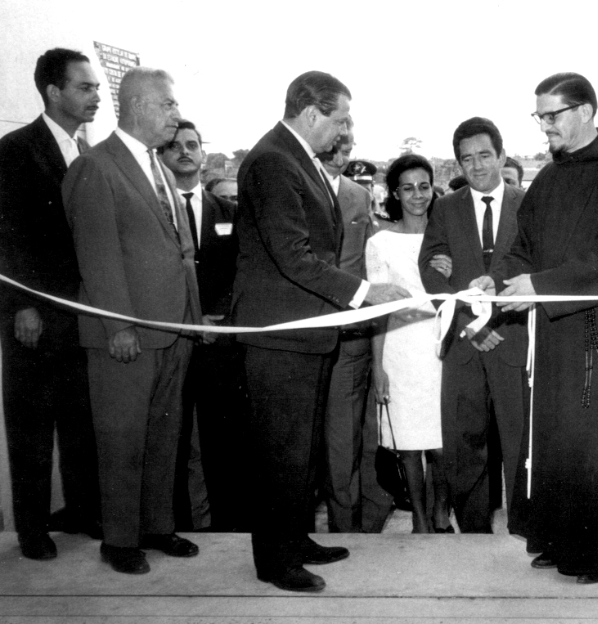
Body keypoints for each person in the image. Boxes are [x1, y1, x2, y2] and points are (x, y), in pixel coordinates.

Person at [472, 72, 598, 584]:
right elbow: (523, 245)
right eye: (539, 116)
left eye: (553, 115)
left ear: (584, 111)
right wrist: (496, 279)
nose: (545, 126)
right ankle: (563, 537)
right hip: (559, 328)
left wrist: (539, 286)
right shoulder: (548, 177)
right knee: (562, 435)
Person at [231, 71, 409, 593]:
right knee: (279, 453)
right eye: (338, 119)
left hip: (305, 336)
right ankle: (274, 561)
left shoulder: (294, 159)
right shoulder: (273, 162)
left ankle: (294, 538)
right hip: (281, 337)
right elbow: (294, 256)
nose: (342, 130)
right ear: (311, 113)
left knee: (300, 450)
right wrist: (364, 292)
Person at [62, 67, 202, 575]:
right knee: (122, 440)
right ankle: (119, 541)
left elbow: (178, 251)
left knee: (164, 438)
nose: (175, 114)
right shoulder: (96, 167)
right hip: (125, 336)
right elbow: (97, 257)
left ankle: (156, 527)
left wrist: (190, 321)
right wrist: (118, 327)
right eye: (167, 105)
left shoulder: (158, 166)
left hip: (171, 332)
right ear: (139, 105)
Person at [0, 47, 102, 560]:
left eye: (98, 90)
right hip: (34, 317)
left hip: (81, 316)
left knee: (80, 422)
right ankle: (33, 530)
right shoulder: (14, 149)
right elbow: (7, 235)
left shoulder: (88, 153)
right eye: (86, 88)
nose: (97, 98)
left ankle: (83, 512)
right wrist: (21, 305)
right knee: (32, 428)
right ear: (53, 92)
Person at [419, 117, 528, 534]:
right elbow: (431, 270)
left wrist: (495, 318)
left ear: (501, 155)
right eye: (467, 159)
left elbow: (534, 266)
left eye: (485, 155)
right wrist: (471, 325)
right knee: (466, 445)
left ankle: (523, 530)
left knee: (519, 443)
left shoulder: (527, 203)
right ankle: (475, 533)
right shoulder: (445, 208)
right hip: (465, 346)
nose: (478, 166)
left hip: (512, 339)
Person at [158, 120, 245, 533]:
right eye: (175, 145)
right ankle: (177, 528)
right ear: (162, 154)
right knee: (173, 441)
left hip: (219, 344)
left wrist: (221, 317)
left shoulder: (229, 213)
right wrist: (188, 319)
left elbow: (241, 273)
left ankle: (228, 530)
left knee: (223, 443)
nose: (185, 151)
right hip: (173, 339)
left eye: (192, 144)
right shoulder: (154, 210)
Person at [316, 133, 393, 534]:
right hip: (316, 332)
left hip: (357, 333)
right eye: (334, 148)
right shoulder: (299, 188)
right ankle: (344, 525)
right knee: (336, 442)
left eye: (348, 150)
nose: (341, 157)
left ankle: (364, 518)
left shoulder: (358, 197)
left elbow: (374, 261)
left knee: (361, 435)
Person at [369, 154, 448, 534]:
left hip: (442, 347)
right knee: (410, 442)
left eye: (424, 186)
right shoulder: (381, 241)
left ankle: (441, 512)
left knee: (443, 441)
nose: (417, 195)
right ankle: (419, 517)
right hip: (400, 350)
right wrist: (377, 367)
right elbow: (377, 312)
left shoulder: (448, 233)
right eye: (407, 188)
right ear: (394, 194)